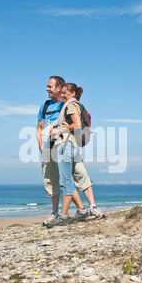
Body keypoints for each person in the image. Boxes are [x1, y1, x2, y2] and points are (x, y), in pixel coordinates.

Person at [37, 76, 105, 226]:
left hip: (66, 144)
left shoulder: (68, 103)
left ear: (59, 88)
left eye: (50, 86)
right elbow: (39, 128)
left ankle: (89, 208)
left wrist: (59, 130)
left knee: (78, 175)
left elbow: (76, 123)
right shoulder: (46, 106)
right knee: (54, 179)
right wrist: (41, 146)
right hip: (50, 146)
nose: (47, 89)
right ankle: (70, 211)